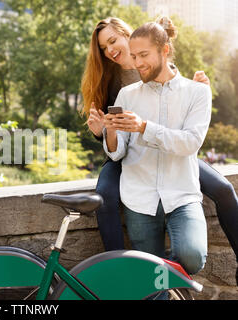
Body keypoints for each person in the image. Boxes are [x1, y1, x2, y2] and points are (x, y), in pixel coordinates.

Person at [81, 17, 238, 282]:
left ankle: (157, 273)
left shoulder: (169, 70)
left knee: (222, 189)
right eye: (104, 47)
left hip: (171, 157)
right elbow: (116, 143)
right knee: (105, 195)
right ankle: (119, 268)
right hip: (129, 160)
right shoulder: (112, 81)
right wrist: (104, 130)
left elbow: (181, 114)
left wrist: (200, 89)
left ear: (125, 34)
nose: (110, 50)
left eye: (112, 41)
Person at [103, 17, 209, 276]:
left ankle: (166, 279)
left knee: (192, 256)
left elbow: (190, 143)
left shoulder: (197, 92)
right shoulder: (128, 95)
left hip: (182, 195)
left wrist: (144, 127)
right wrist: (111, 132)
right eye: (134, 56)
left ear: (164, 50)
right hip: (139, 198)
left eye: (144, 55)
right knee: (149, 278)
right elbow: (118, 152)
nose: (137, 63)